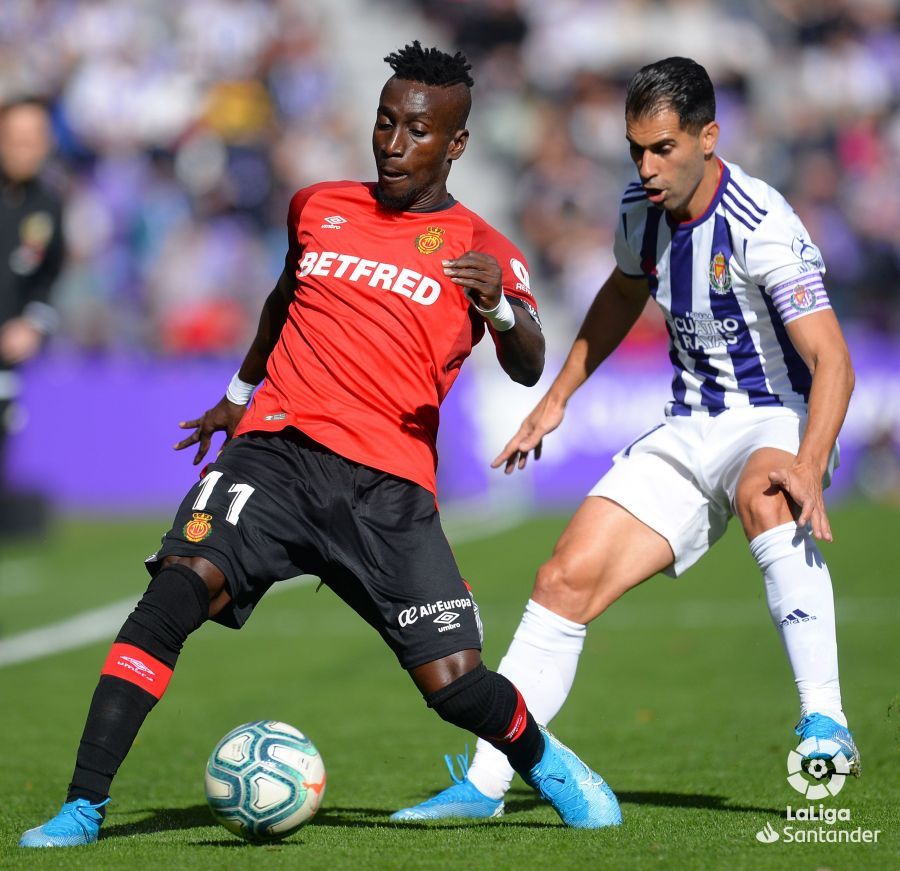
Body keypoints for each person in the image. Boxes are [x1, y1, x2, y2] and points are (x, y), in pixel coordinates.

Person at [19, 43, 622, 848]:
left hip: (385, 486)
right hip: (273, 453)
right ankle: (83, 804)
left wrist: (502, 312)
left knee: (453, 685)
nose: (393, 143)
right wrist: (237, 399)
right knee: (173, 592)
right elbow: (281, 299)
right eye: (384, 122)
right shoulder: (318, 206)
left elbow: (530, 362)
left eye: (416, 129)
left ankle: (546, 761)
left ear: (456, 144)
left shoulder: (484, 246)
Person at [391, 56, 858, 822]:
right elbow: (620, 292)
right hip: (685, 427)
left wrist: (810, 462)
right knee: (561, 580)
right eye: (636, 148)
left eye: (663, 148)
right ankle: (484, 783)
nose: (646, 166)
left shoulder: (762, 224)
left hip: (773, 420)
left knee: (766, 490)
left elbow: (831, 359)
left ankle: (826, 719)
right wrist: (557, 398)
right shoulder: (642, 208)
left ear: (709, 137)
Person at [0, 98, 63, 531]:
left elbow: (47, 275)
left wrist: (32, 323)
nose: (26, 149)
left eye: (34, 140)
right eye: (16, 139)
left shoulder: (46, 204)